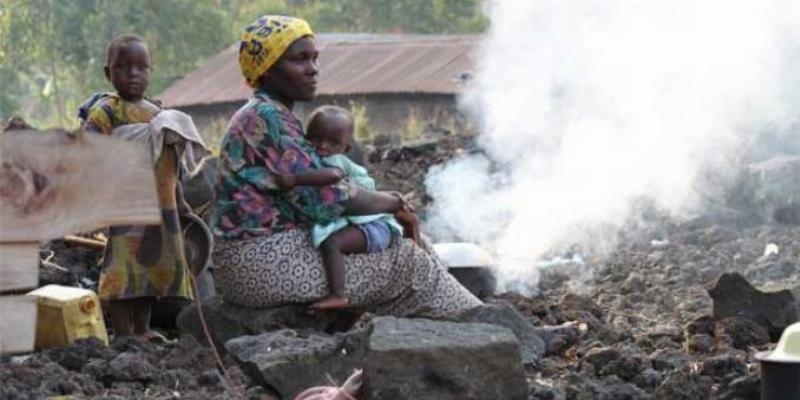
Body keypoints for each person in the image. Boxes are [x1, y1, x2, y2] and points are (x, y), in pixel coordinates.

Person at [211, 15, 481, 318]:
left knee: (409, 242)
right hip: (258, 262)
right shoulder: (266, 119)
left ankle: (472, 324)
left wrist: (388, 205)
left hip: (261, 255)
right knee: (407, 262)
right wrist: (392, 202)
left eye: (314, 59)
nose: (312, 69)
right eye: (299, 59)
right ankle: (497, 332)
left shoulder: (270, 114)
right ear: (266, 68)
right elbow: (327, 200)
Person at [78, 34, 192, 341]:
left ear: (151, 72)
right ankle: (124, 334)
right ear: (108, 73)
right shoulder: (107, 112)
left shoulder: (159, 114)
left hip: (159, 207)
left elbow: (172, 163)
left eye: (141, 67)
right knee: (122, 268)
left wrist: (180, 202)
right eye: (123, 67)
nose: (133, 74)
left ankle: (143, 330)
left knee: (149, 270)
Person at [274, 106, 409, 310]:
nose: (322, 145)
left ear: (345, 148)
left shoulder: (335, 161)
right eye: (315, 138)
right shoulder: (313, 158)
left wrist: (294, 179)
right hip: (365, 224)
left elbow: (333, 176)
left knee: (332, 243)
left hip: (373, 228)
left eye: (333, 141)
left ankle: (338, 294)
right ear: (304, 137)